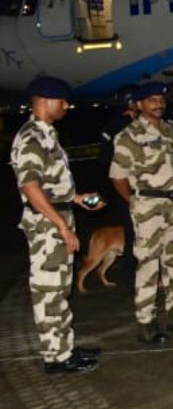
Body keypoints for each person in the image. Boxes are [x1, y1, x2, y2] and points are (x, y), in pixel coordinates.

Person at [11, 77, 105, 373]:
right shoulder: (31, 138)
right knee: (49, 289)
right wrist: (61, 226)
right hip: (47, 225)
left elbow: (49, 185)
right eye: (61, 100)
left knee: (61, 288)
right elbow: (30, 187)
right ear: (43, 101)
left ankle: (64, 347)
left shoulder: (47, 134)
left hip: (57, 217)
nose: (66, 105)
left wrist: (76, 198)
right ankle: (56, 357)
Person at [109, 82, 173, 344]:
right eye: (151, 100)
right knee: (148, 263)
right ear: (139, 105)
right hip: (148, 205)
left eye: (161, 99)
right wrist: (133, 200)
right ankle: (146, 320)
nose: (158, 104)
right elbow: (117, 176)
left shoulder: (169, 129)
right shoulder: (129, 136)